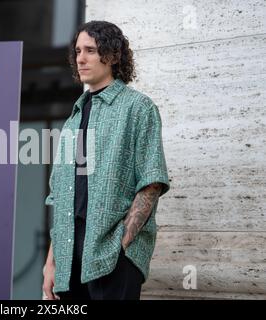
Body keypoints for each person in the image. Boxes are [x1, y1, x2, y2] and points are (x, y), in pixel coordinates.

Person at [42, 20, 170, 300]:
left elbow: (151, 182)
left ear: (112, 56)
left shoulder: (138, 107)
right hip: (70, 254)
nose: (80, 58)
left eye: (90, 50)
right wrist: (52, 263)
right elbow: (61, 199)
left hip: (114, 252)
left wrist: (121, 244)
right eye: (77, 51)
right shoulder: (73, 119)